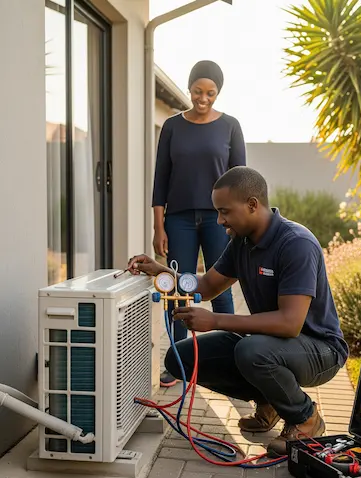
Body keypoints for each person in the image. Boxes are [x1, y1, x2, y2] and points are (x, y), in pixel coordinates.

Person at [129, 167, 349, 457]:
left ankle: (306, 418)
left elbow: (290, 323)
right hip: (269, 344)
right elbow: (206, 286)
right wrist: (162, 273)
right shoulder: (242, 242)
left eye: (225, 212)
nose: (219, 220)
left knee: (251, 350)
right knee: (179, 357)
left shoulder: (296, 244)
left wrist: (216, 320)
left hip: (320, 350)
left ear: (252, 205)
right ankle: (271, 401)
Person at [152, 60, 246, 387]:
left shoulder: (231, 126)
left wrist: (238, 225)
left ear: (217, 93)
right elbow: (160, 178)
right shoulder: (172, 127)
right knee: (181, 288)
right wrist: (158, 225)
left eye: (210, 93)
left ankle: (230, 361)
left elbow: (241, 179)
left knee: (220, 289)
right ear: (189, 88)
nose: (203, 98)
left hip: (219, 220)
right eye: (197, 91)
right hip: (178, 219)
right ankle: (178, 360)